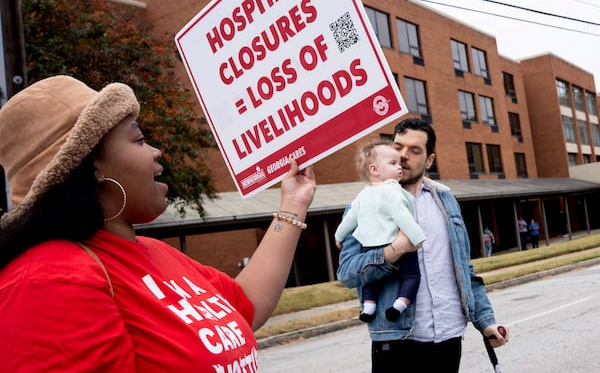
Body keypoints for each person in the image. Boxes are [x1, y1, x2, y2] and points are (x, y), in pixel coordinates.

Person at [0, 75, 316, 372]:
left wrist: (293, 204)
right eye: (138, 140)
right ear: (91, 166)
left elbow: (246, 305)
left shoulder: (156, 253)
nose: (155, 152)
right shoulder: (50, 280)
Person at [337, 118, 508, 372]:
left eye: (414, 150)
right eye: (398, 147)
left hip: (449, 339)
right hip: (396, 342)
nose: (403, 156)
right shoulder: (365, 205)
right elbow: (348, 273)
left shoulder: (446, 201)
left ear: (429, 160)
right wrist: (395, 250)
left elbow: (463, 270)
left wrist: (485, 321)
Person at [335, 140, 425, 323]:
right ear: (374, 170)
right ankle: (399, 304)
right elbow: (401, 215)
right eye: (393, 163)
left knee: (371, 280)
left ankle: (369, 306)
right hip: (394, 242)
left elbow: (350, 219)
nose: (400, 167)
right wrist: (417, 238)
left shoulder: (361, 195)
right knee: (411, 276)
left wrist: (338, 235)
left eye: (399, 163)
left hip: (370, 247)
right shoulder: (392, 190)